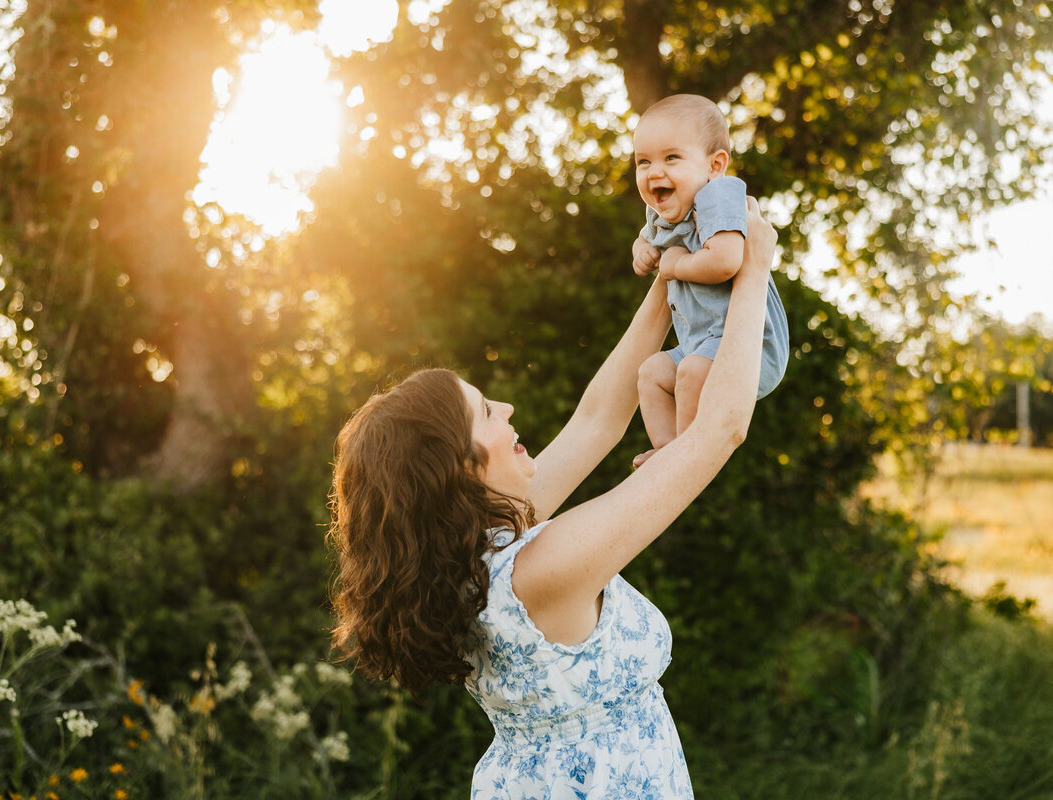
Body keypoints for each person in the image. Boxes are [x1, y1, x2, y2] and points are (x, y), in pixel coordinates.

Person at [327, 199, 780, 798]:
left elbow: (597, 420)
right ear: (458, 466)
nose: (507, 408)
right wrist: (754, 270)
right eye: (486, 412)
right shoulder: (540, 572)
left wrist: (670, 273)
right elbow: (718, 431)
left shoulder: (478, 549)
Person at [630, 94, 789, 467]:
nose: (654, 171)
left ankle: (686, 459)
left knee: (689, 371)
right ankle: (667, 451)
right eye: (643, 161)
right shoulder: (663, 211)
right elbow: (646, 237)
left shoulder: (717, 194)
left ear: (715, 165)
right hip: (701, 344)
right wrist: (642, 249)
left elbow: (726, 260)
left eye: (672, 157)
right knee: (652, 373)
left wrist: (676, 266)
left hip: (748, 345)